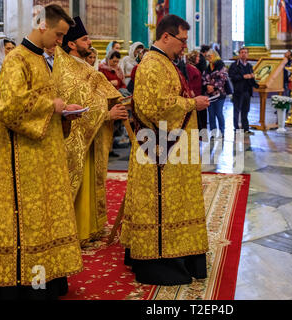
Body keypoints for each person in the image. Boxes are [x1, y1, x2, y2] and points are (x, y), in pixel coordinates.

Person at [0, 4, 84, 300]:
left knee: (47, 217)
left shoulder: (42, 60)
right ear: (43, 25)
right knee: (28, 219)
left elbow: (44, 101)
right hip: (23, 158)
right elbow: (9, 107)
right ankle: (25, 285)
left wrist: (64, 112)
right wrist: (51, 106)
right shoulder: (17, 60)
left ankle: (49, 279)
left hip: (47, 153)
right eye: (58, 34)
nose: (60, 41)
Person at [120, 14, 210, 286]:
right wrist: (191, 105)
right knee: (162, 205)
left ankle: (182, 253)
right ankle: (160, 262)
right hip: (160, 151)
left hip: (175, 149)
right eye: (182, 40)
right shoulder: (151, 64)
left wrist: (189, 102)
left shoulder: (166, 63)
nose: (185, 45)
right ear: (166, 36)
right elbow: (152, 107)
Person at [57, 16, 128, 247]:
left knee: (90, 181)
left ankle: (91, 227)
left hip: (91, 134)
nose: (90, 43)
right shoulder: (64, 69)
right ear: (71, 44)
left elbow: (101, 95)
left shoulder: (84, 68)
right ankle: (73, 232)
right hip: (73, 135)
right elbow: (74, 103)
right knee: (76, 184)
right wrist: (106, 114)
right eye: (85, 39)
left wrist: (121, 104)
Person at [228, 47, 259, 135]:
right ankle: (237, 128)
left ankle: (246, 128)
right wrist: (243, 77)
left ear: (247, 54)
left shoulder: (249, 66)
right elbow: (232, 77)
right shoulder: (234, 65)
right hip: (238, 91)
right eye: (242, 52)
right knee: (237, 110)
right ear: (239, 54)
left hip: (247, 91)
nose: (244, 54)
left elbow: (251, 77)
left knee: (246, 110)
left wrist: (256, 83)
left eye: (245, 52)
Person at [202, 49, 228, 139]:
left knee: (219, 113)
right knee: (211, 114)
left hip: (219, 93)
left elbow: (222, 78)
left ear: (215, 55)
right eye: (207, 56)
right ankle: (213, 132)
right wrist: (207, 86)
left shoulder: (221, 65)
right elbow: (204, 77)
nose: (208, 58)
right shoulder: (208, 66)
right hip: (209, 94)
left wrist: (213, 87)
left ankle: (222, 131)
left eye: (210, 56)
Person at [186, 50, 206, 131]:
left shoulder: (193, 67)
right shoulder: (189, 68)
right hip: (194, 94)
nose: (199, 59)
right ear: (193, 58)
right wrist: (191, 90)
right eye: (197, 57)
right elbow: (188, 80)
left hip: (198, 92)